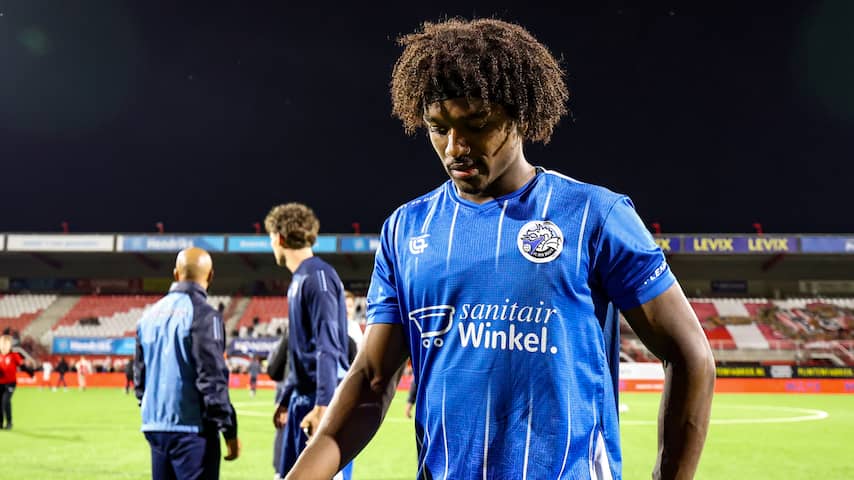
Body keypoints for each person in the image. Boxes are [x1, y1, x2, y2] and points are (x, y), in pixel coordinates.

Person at [286, 18, 716, 480]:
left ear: (521, 116)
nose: (455, 147)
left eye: (477, 124)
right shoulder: (406, 230)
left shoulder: (594, 214)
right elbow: (371, 381)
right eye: (438, 128)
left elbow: (690, 355)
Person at [134, 247, 240, 479]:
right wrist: (229, 430)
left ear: (175, 274)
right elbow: (212, 378)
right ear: (210, 276)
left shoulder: (148, 317)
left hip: (155, 426)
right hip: (193, 430)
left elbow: (140, 378)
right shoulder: (205, 315)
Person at [264, 203, 352, 479]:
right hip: (302, 399)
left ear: (279, 237)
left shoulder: (317, 277)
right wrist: (285, 398)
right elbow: (300, 351)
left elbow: (327, 345)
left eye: (270, 238)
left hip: (319, 400)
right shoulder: (301, 278)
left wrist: (323, 406)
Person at [0, 335, 33, 429]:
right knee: (1, 403)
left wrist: (30, 373)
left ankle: (9, 422)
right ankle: (1, 423)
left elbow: (22, 366)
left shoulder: (14, 355)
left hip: (10, 383)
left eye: (6, 344)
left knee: (5, 401)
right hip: (0, 383)